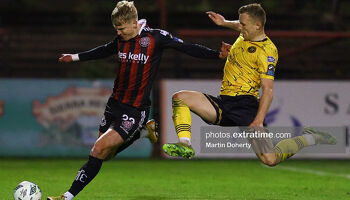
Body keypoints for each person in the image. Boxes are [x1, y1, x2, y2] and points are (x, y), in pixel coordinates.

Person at [47, 1, 228, 199]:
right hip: (114, 104)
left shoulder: (156, 37)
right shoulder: (121, 39)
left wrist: (218, 55)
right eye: (116, 29)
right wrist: (72, 57)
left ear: (134, 23)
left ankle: (67, 196)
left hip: (135, 109)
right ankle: (143, 133)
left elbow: (188, 48)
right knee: (104, 155)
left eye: (122, 28)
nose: (119, 33)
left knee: (97, 149)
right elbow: (103, 50)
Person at [163, 3, 336, 165]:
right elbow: (238, 26)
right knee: (180, 98)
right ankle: (184, 144)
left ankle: (310, 137)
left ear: (258, 25)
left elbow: (268, 90)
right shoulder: (245, 32)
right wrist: (223, 23)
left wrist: (258, 120)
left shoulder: (267, 51)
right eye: (240, 23)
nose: (240, 26)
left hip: (246, 106)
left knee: (270, 159)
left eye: (244, 24)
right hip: (224, 102)